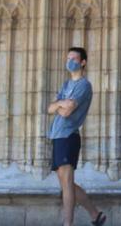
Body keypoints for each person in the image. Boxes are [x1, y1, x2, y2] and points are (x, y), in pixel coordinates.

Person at [47, 47, 107, 226]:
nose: (69, 61)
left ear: (83, 62)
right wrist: (60, 103)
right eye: (68, 58)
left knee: (66, 184)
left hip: (68, 135)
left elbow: (67, 112)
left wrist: (60, 105)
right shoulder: (66, 85)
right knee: (67, 184)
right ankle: (95, 214)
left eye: (74, 58)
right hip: (57, 136)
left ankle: (68, 224)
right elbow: (50, 108)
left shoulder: (83, 85)